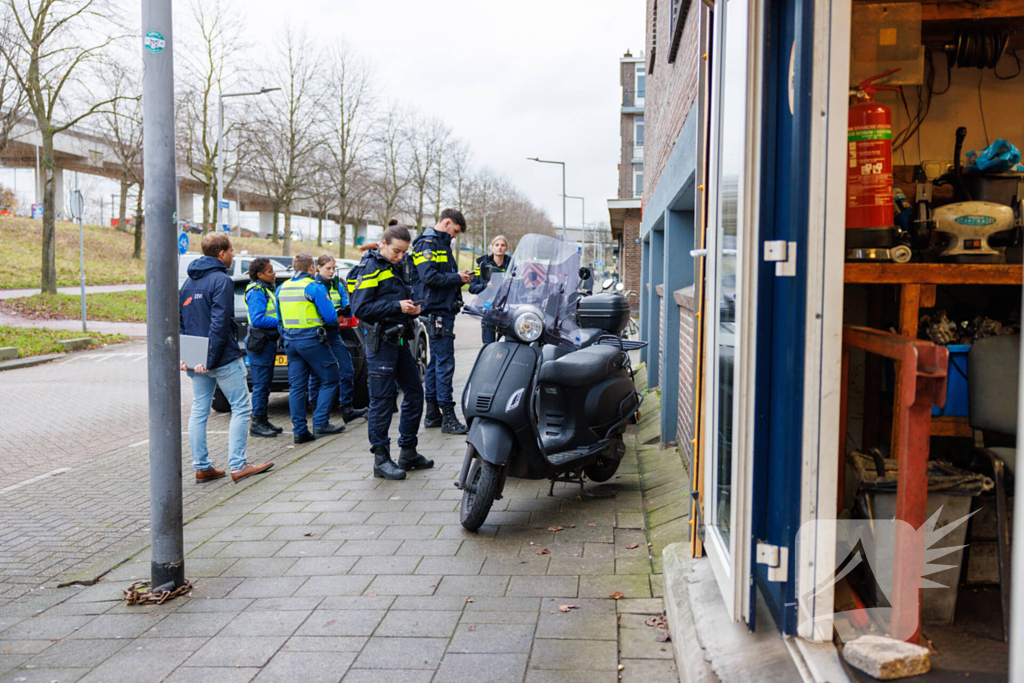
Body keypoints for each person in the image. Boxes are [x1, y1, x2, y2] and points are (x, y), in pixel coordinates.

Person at [179, 232, 274, 484]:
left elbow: (181, 322)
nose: (233, 255)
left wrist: (187, 357)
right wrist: (210, 359)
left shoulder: (188, 283)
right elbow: (219, 324)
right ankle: (239, 465)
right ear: (221, 253)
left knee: (199, 409)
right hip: (221, 358)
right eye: (232, 251)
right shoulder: (222, 280)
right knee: (241, 407)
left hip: (197, 358)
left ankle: (202, 467)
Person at [348, 223, 434, 479]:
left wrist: (412, 308)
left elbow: (399, 298)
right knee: (383, 401)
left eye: (404, 252)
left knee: (415, 393)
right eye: (396, 251)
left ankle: (408, 452)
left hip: (399, 339)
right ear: (383, 244)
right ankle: (381, 460)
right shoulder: (370, 267)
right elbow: (360, 309)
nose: (400, 256)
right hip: (381, 342)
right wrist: (397, 306)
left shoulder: (395, 265)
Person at [409, 208, 473, 434]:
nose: (454, 236)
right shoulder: (428, 244)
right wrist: (457, 277)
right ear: (446, 223)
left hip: (441, 309)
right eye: (454, 231)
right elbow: (428, 277)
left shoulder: (440, 244)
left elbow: (440, 275)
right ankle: (448, 418)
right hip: (436, 310)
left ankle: (433, 414)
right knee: (445, 363)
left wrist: (459, 277)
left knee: (436, 362)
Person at [277, 253, 346, 443]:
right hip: (312, 341)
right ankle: (321, 423)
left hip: (290, 342)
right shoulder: (314, 287)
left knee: (296, 387)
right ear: (311, 268)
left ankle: (300, 431)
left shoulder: (282, 287)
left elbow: (279, 319)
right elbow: (331, 317)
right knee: (331, 378)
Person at [307, 253, 368, 424]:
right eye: (328, 268)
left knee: (347, 370)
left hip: (334, 333)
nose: (331, 272)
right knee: (316, 375)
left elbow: (346, 303)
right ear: (318, 268)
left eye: (333, 268)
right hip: (319, 334)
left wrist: (346, 308)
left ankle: (346, 408)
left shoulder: (336, 284)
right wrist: (336, 312)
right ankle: (316, 409)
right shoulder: (313, 285)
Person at [244, 257, 284, 438]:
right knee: (260, 385)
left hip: (266, 342)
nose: (274, 273)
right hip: (260, 343)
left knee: (265, 384)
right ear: (260, 274)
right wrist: (281, 322)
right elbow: (258, 319)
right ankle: (256, 424)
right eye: (270, 271)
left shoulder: (265, 289)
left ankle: (263, 419)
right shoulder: (256, 291)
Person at [468, 235, 510, 344]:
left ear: (506, 248)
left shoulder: (512, 266)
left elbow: (520, 286)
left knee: (507, 344)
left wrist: (510, 285)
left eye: (502, 245)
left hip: (506, 310)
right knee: (488, 344)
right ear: (492, 248)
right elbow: (472, 287)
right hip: (487, 309)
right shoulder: (482, 266)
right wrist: (486, 286)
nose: (499, 247)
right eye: (497, 245)